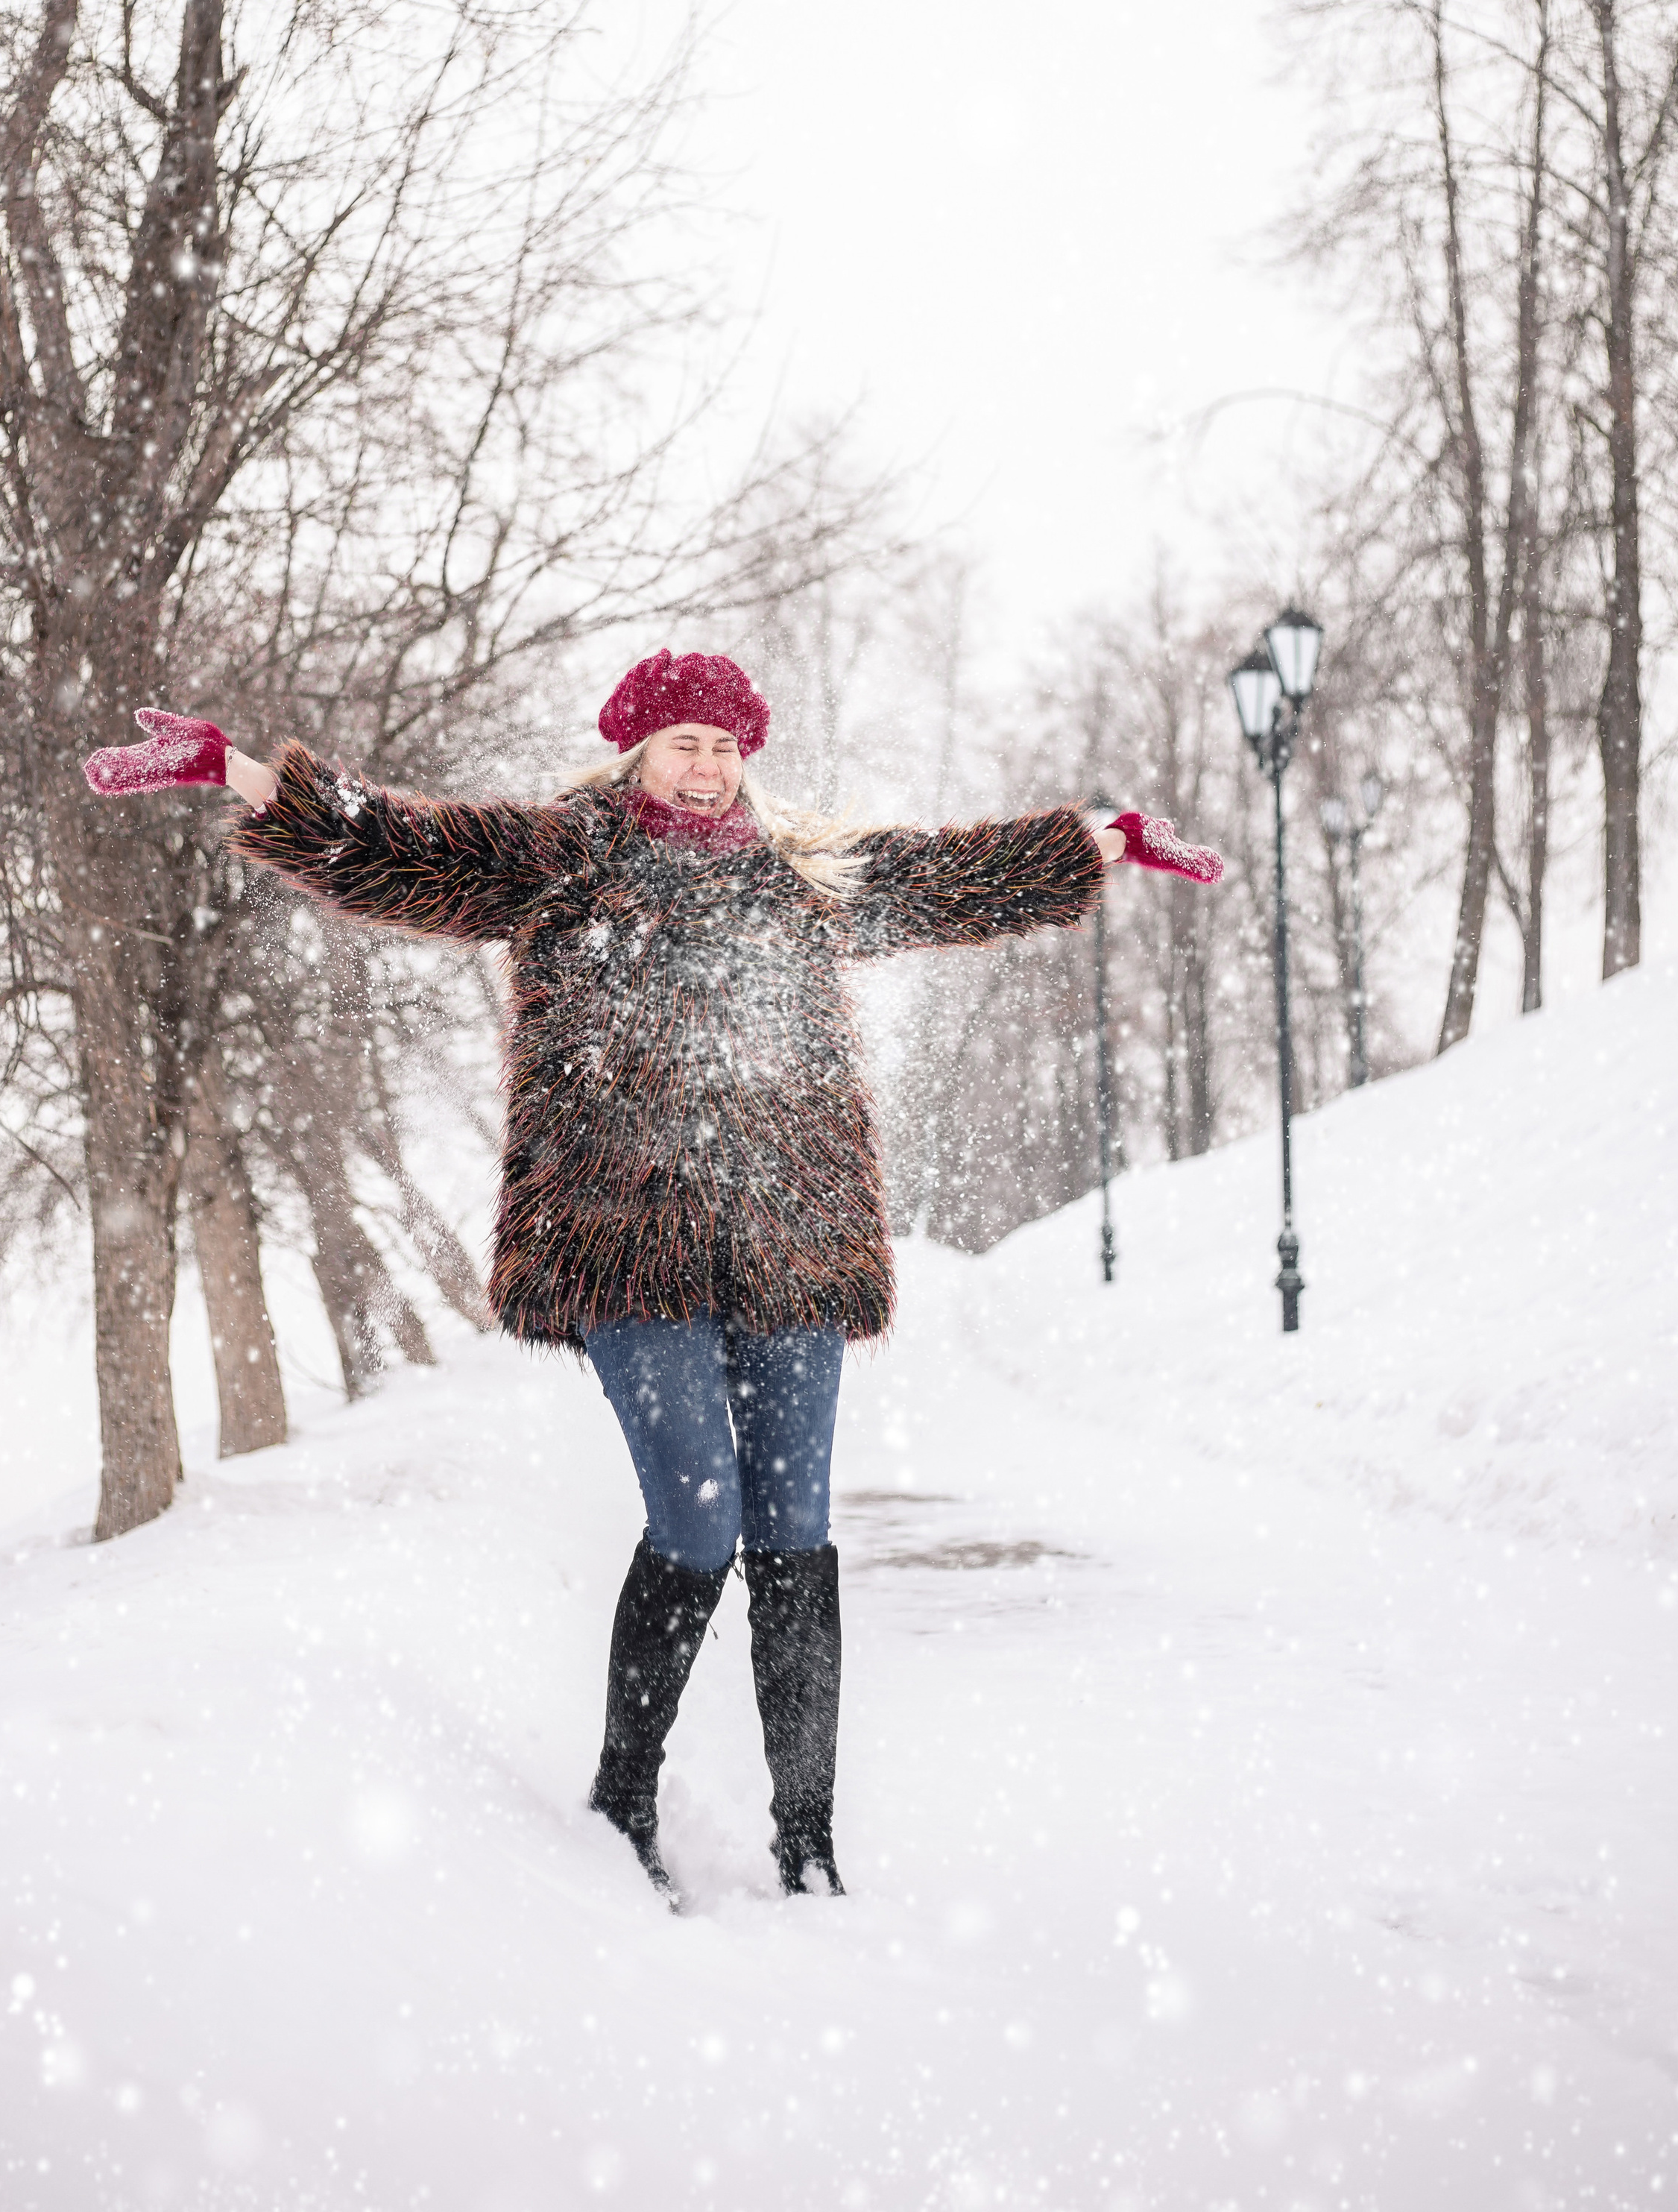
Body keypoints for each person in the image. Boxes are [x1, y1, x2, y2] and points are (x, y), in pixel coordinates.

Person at [83, 649, 1221, 1903]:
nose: (709, 766)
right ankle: (623, 1799)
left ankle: (808, 1841)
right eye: (686, 743)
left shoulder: (803, 876)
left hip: (794, 1241)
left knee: (795, 1533)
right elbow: (390, 844)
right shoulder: (562, 858)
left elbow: (957, 878)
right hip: (629, 1247)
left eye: (726, 747)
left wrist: (1105, 838)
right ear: (637, 753)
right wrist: (235, 770)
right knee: (698, 1521)